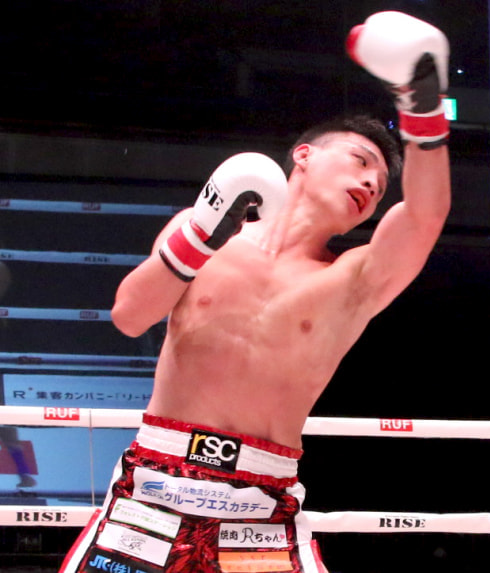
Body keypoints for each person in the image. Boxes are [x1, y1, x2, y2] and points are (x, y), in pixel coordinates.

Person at [60, 11, 450, 573]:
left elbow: (425, 214)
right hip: (154, 486)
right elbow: (128, 315)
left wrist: (422, 105)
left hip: (260, 505)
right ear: (305, 155)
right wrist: (200, 236)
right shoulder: (202, 231)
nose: (370, 183)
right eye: (360, 162)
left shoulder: (352, 278)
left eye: (380, 184)